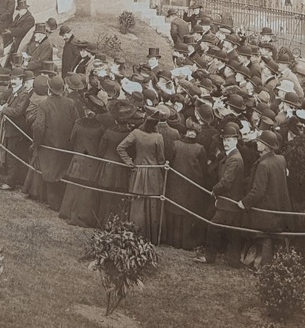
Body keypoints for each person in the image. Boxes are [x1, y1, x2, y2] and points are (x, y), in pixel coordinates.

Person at [238, 130, 292, 270]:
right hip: (278, 207)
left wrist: (244, 202)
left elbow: (258, 191)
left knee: (265, 237)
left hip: (265, 210)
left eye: (259, 143)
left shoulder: (263, 165)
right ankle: (262, 263)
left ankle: (263, 266)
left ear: (265, 146)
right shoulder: (281, 159)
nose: (257, 144)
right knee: (269, 236)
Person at [194, 122, 247, 267]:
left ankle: (210, 257)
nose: (226, 143)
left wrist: (214, 190)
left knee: (213, 227)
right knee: (233, 232)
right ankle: (234, 260)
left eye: (229, 140)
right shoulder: (231, 155)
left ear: (236, 141)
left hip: (228, 201)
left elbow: (226, 183)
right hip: (231, 201)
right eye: (224, 140)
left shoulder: (235, 158)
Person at [24, 76, 80, 211]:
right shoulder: (70, 103)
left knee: (49, 172)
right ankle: (58, 202)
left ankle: (52, 203)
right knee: (60, 172)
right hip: (66, 146)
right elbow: (77, 123)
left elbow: (38, 127)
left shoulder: (44, 105)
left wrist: (36, 144)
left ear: (49, 88)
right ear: (63, 88)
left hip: (48, 146)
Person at [116, 106, 166, 243]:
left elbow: (121, 147)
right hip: (154, 173)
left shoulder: (136, 133)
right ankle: (150, 235)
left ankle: (133, 232)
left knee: (137, 201)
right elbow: (161, 159)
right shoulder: (158, 137)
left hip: (138, 171)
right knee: (151, 202)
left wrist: (129, 162)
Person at [60, 95, 107, 227]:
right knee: (87, 191)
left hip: (78, 159)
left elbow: (71, 139)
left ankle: (68, 212)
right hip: (92, 162)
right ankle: (83, 217)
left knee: (74, 186)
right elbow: (101, 146)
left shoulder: (78, 123)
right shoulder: (100, 127)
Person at [163, 127, 208, 250]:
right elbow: (204, 169)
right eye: (191, 131)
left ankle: (173, 241)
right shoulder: (199, 148)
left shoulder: (176, 144)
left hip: (175, 184)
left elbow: (169, 162)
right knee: (187, 213)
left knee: (175, 210)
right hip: (191, 186)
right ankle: (185, 243)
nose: (192, 133)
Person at [0, 67, 33, 190]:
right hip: (10, 128)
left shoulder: (24, 94)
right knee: (10, 155)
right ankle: (10, 179)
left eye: (16, 79)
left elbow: (18, 111)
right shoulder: (14, 91)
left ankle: (11, 183)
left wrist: (2, 109)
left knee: (12, 156)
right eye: (12, 79)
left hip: (16, 130)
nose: (13, 81)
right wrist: (6, 105)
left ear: (21, 79)